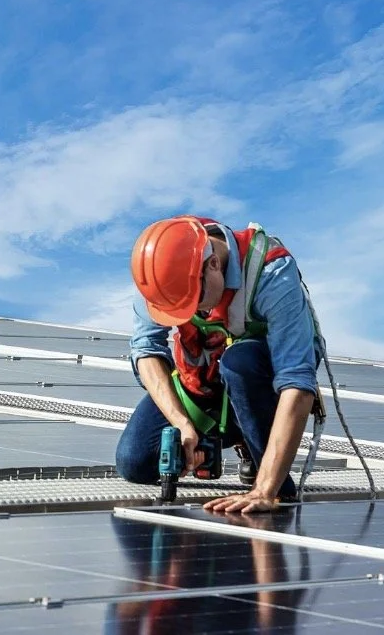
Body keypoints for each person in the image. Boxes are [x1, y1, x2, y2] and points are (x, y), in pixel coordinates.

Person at [117, 215, 324, 513]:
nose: (193, 313)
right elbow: (146, 350)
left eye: (195, 302)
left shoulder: (270, 273)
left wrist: (265, 491)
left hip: (259, 378)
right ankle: (229, 434)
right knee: (134, 462)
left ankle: (264, 462)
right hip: (203, 377)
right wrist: (182, 424)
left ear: (213, 265)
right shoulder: (159, 274)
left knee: (239, 362)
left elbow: (295, 381)